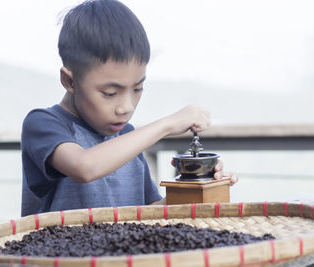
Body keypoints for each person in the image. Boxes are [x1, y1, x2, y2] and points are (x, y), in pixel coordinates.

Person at [21, 0, 238, 216]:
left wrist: (199, 187)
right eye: (110, 93)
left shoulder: (127, 136)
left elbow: (148, 212)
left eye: (137, 89)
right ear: (69, 81)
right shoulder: (43, 124)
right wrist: (168, 124)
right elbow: (84, 167)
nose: (126, 107)